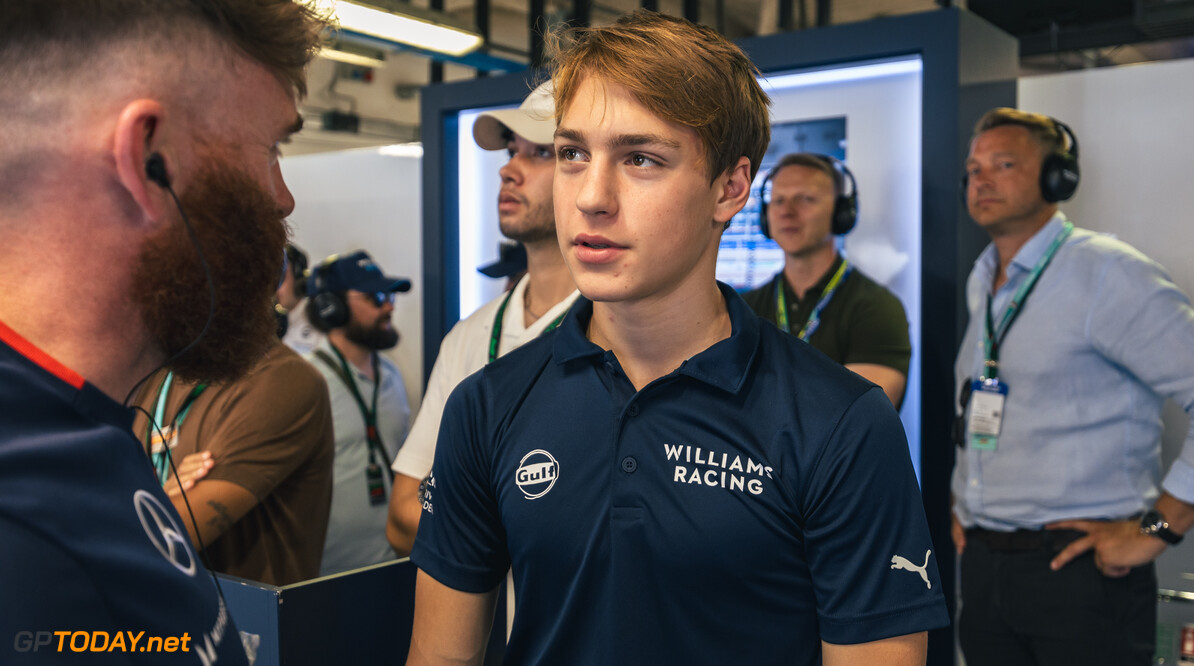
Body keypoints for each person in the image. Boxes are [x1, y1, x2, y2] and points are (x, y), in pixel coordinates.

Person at [406, 11, 948, 666]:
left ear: (730, 188)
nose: (592, 197)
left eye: (640, 159)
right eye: (574, 154)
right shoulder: (487, 405)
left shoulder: (840, 424)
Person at [0, 1, 325, 663]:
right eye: (271, 149)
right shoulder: (27, 528)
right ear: (151, 159)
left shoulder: (80, 433)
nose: (282, 198)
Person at [951, 107, 1194, 665]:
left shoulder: (1109, 273)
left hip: (1081, 575)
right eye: (973, 168)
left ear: (1058, 177)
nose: (981, 179)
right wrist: (962, 502)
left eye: (1003, 163)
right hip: (987, 567)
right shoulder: (984, 277)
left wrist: (1156, 529)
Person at [386, 81, 579, 557]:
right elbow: (401, 516)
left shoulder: (623, 332)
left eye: (538, 153)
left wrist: (460, 517)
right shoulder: (469, 335)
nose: (508, 169)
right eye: (512, 151)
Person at [133, 337, 335, 586]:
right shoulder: (149, 373)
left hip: (248, 619)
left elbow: (156, 541)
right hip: (148, 612)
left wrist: (141, 496)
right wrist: (160, 496)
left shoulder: (280, 377)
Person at [742, 153, 911, 407]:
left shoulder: (876, 308)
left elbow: (860, 417)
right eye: (778, 201)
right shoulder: (744, 309)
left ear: (841, 213)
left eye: (805, 199)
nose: (787, 212)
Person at [305, 251, 413, 575]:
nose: (389, 306)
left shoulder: (391, 376)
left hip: (394, 564)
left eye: (390, 295)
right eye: (376, 297)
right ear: (331, 308)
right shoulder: (309, 383)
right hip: (325, 577)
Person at [278, 242, 325, 354]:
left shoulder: (319, 322)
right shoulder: (272, 322)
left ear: (298, 277)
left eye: (281, 277)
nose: (275, 289)